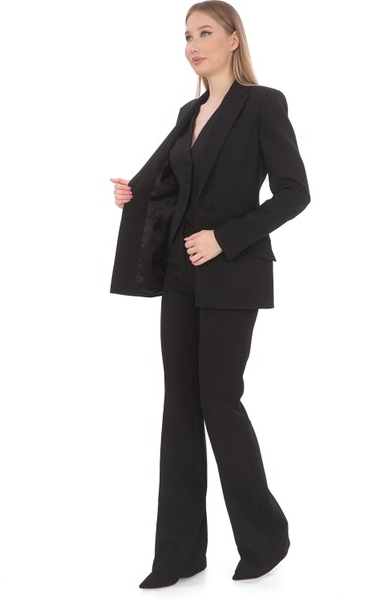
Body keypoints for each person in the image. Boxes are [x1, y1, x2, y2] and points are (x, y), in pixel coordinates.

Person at [109, 0, 310, 590]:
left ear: (232, 39)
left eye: (204, 33)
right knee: (180, 407)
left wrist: (225, 237)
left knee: (220, 402)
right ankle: (178, 555)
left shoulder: (262, 103)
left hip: (233, 273)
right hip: (180, 273)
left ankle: (265, 539)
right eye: (186, 36)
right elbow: (168, 182)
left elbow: (295, 193)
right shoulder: (189, 111)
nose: (193, 45)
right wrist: (131, 194)